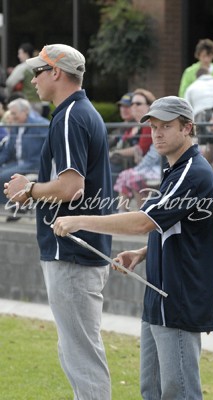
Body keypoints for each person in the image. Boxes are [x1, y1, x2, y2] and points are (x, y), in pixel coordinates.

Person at [51, 96, 213, 400]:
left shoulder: (192, 172)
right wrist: (142, 254)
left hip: (178, 301)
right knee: (151, 391)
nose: (157, 133)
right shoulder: (174, 170)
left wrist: (79, 220)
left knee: (178, 392)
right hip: (160, 298)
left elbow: (144, 222)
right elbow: (172, 227)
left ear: (188, 128)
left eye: (166, 126)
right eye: (154, 126)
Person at [4, 44, 112, 400]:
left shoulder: (70, 116)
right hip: (75, 250)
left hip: (72, 251)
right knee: (76, 354)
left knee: (82, 358)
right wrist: (32, 187)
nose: (33, 78)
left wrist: (30, 188)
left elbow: (71, 187)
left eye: (38, 70)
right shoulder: (78, 113)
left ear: (56, 73)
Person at [0, 98, 49, 205]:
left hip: (33, 164)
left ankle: (13, 206)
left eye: (14, 113)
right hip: (17, 163)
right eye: (11, 113)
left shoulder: (41, 125)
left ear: (25, 111)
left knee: (3, 176)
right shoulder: (16, 125)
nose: (11, 117)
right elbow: (7, 152)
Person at [114, 143, 162, 212]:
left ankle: (142, 211)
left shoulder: (162, 141)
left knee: (135, 178)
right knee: (124, 175)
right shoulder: (156, 141)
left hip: (159, 170)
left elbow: (151, 159)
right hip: (149, 169)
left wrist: (138, 167)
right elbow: (149, 159)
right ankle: (122, 212)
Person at [5, 43, 44, 115]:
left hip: (26, 104)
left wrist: (10, 96)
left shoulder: (22, 67)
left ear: (25, 53)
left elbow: (9, 83)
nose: (18, 56)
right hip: (39, 103)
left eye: (20, 53)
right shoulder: (40, 66)